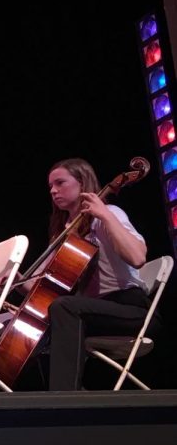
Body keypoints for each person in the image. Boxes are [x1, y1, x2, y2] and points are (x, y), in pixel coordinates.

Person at [44, 158, 160, 390]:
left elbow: (137, 258)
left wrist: (105, 216)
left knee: (64, 307)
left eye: (60, 183)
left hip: (131, 310)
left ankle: (63, 398)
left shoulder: (110, 213)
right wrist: (14, 279)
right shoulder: (66, 231)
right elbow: (43, 284)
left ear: (82, 183)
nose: (53, 190)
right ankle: (69, 394)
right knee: (40, 327)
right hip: (90, 312)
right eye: (50, 186)